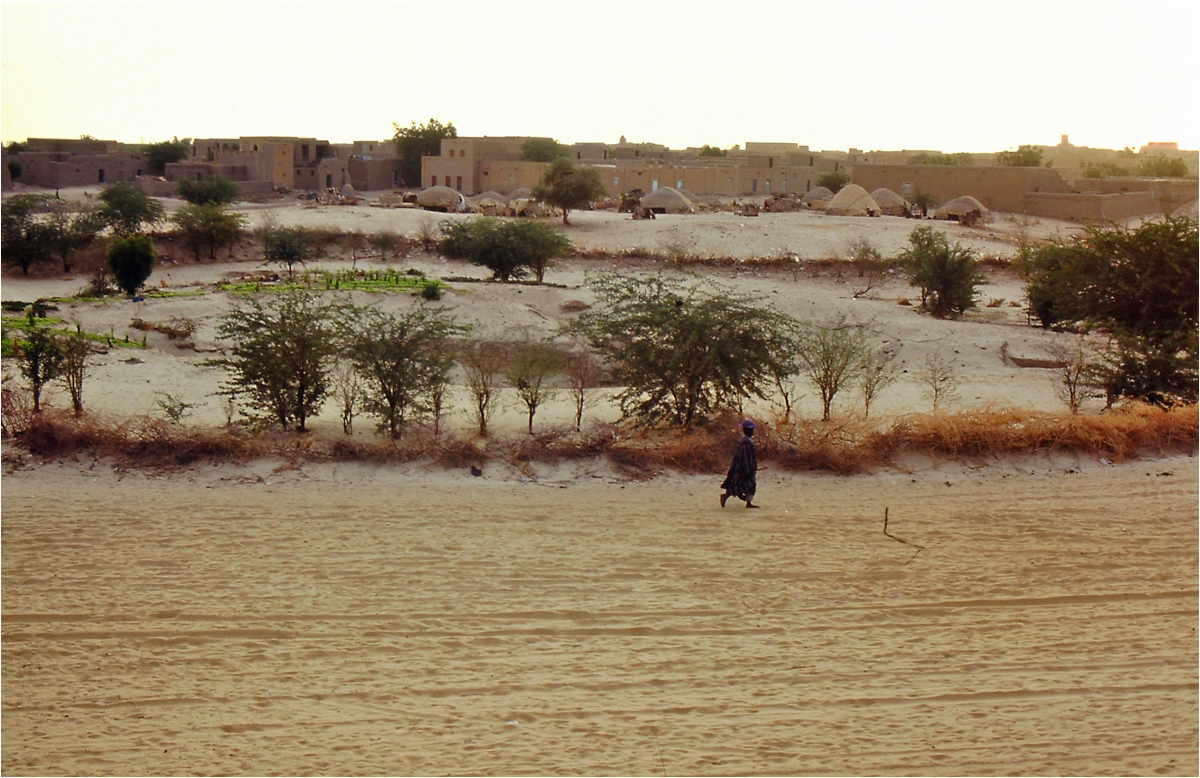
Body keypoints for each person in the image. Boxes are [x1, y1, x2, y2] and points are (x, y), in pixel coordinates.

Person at [720, 419, 759, 508]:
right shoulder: (746, 442)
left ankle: (746, 501)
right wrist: (748, 468)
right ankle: (727, 496)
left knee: (744, 485)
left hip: (744, 468)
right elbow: (744, 457)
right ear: (747, 431)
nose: (752, 432)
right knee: (747, 485)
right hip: (744, 468)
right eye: (751, 430)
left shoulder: (746, 440)